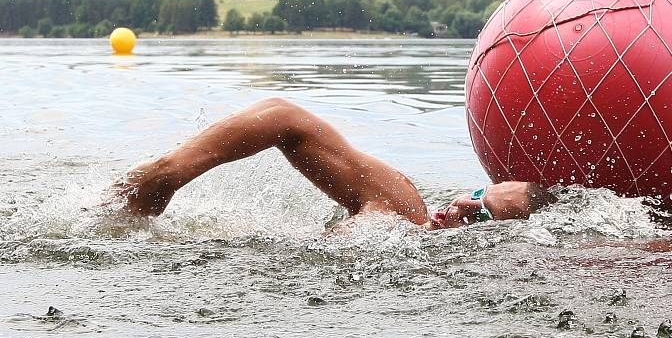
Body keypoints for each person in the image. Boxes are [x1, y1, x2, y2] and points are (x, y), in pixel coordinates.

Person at [115, 98, 554, 230]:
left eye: (480, 214)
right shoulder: (400, 201)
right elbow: (286, 118)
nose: (461, 207)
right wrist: (171, 173)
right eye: (475, 193)